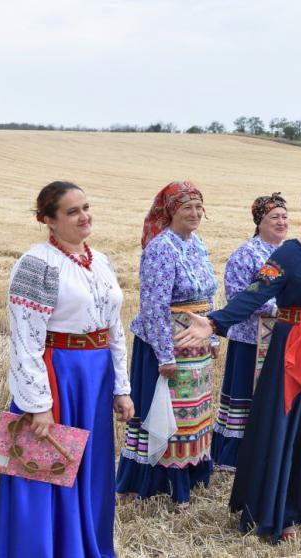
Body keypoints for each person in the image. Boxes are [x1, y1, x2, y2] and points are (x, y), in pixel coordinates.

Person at [173, 183, 301, 542]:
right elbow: (254, 294)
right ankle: (282, 512)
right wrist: (214, 322)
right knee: (287, 430)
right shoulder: (289, 255)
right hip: (296, 350)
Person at [0, 181, 133, 557]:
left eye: (86, 207)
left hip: (96, 376)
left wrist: (121, 387)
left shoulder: (100, 260)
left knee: (91, 470)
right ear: (48, 221)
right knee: (47, 471)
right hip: (60, 376)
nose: (84, 216)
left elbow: (114, 328)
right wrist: (38, 403)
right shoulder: (36, 264)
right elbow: (25, 339)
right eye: (72, 211)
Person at [116, 180, 219, 504]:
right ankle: (164, 482)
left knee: (194, 414)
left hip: (197, 347)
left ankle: (191, 472)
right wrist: (165, 355)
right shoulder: (160, 248)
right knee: (172, 415)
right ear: (172, 211)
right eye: (187, 207)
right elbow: (153, 307)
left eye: (199, 207)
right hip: (170, 346)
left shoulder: (197, 243)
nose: (195, 213)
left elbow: (207, 295)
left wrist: (213, 334)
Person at [211, 193, 288, 471]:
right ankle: (236, 457)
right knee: (244, 397)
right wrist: (279, 308)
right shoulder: (245, 254)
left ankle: (271, 452)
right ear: (260, 222)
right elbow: (236, 295)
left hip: (284, 339)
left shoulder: (291, 251)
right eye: (274, 217)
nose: (281, 222)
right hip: (250, 341)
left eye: (284, 216)